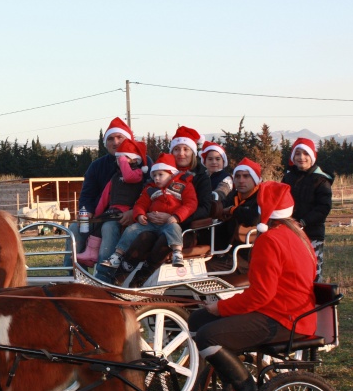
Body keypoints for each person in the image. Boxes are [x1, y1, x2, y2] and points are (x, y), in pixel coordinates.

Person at [187, 181, 317, 391]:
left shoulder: (270, 240)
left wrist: (221, 308)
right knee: (198, 320)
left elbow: (261, 294)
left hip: (283, 318)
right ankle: (230, 388)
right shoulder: (297, 234)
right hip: (288, 312)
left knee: (207, 334)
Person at [98, 153, 198, 284]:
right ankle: (117, 255)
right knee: (132, 229)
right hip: (151, 223)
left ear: (171, 174)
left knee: (174, 228)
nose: (156, 178)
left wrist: (176, 216)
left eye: (160, 175)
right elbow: (141, 203)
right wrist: (139, 215)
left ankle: (177, 253)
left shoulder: (183, 186)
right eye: (154, 175)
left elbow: (191, 204)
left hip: (169, 221)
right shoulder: (150, 189)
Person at [68, 117, 153, 265]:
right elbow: (87, 194)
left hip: (129, 215)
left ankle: (103, 276)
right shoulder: (96, 166)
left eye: (120, 137)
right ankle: (68, 277)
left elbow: (152, 190)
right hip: (99, 215)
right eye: (111, 139)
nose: (115, 142)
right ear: (106, 143)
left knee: (109, 227)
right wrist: (86, 211)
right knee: (75, 227)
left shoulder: (143, 162)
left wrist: (134, 211)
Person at [282, 137, 333, 282]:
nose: (301, 157)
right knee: (292, 271)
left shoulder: (321, 180)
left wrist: (303, 222)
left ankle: (317, 303)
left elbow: (323, 208)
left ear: (312, 156)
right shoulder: (288, 178)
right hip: (290, 233)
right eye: (297, 153)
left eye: (305, 153)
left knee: (313, 273)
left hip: (312, 233)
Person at [208, 157, 262, 272]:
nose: (241, 180)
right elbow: (220, 207)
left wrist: (233, 210)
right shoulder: (234, 196)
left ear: (255, 179)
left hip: (248, 255)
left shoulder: (261, 197)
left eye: (246, 176)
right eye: (237, 176)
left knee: (206, 269)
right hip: (227, 252)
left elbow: (254, 218)